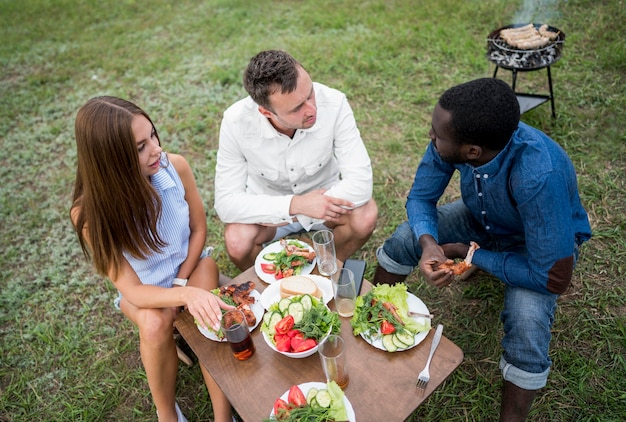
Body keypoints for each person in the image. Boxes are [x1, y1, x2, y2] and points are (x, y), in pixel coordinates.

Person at [373, 78, 591, 421]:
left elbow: (553, 278)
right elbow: (421, 198)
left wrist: (469, 253)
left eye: (437, 135)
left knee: (527, 321)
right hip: (480, 218)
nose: (431, 137)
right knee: (406, 237)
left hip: (532, 247)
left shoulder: (538, 175)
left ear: (472, 151)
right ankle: (374, 319)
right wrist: (429, 243)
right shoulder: (460, 136)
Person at [70, 96, 236, 422]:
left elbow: (199, 229)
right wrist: (179, 296)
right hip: (145, 294)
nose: (156, 149)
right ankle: (167, 415)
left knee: (209, 299)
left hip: (190, 268)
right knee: (155, 322)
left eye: (153, 136)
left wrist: (183, 283)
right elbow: (131, 289)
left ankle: (222, 415)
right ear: (110, 160)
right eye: (141, 147)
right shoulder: (89, 214)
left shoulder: (175, 167)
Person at [214, 50, 378, 270]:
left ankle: (322, 270)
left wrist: (306, 208)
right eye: (297, 108)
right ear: (266, 112)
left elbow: (361, 183)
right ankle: (274, 286)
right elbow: (226, 204)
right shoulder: (235, 122)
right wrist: (295, 206)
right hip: (270, 213)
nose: (312, 109)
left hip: (326, 205)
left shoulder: (334, 102)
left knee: (365, 216)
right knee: (237, 241)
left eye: (309, 94)